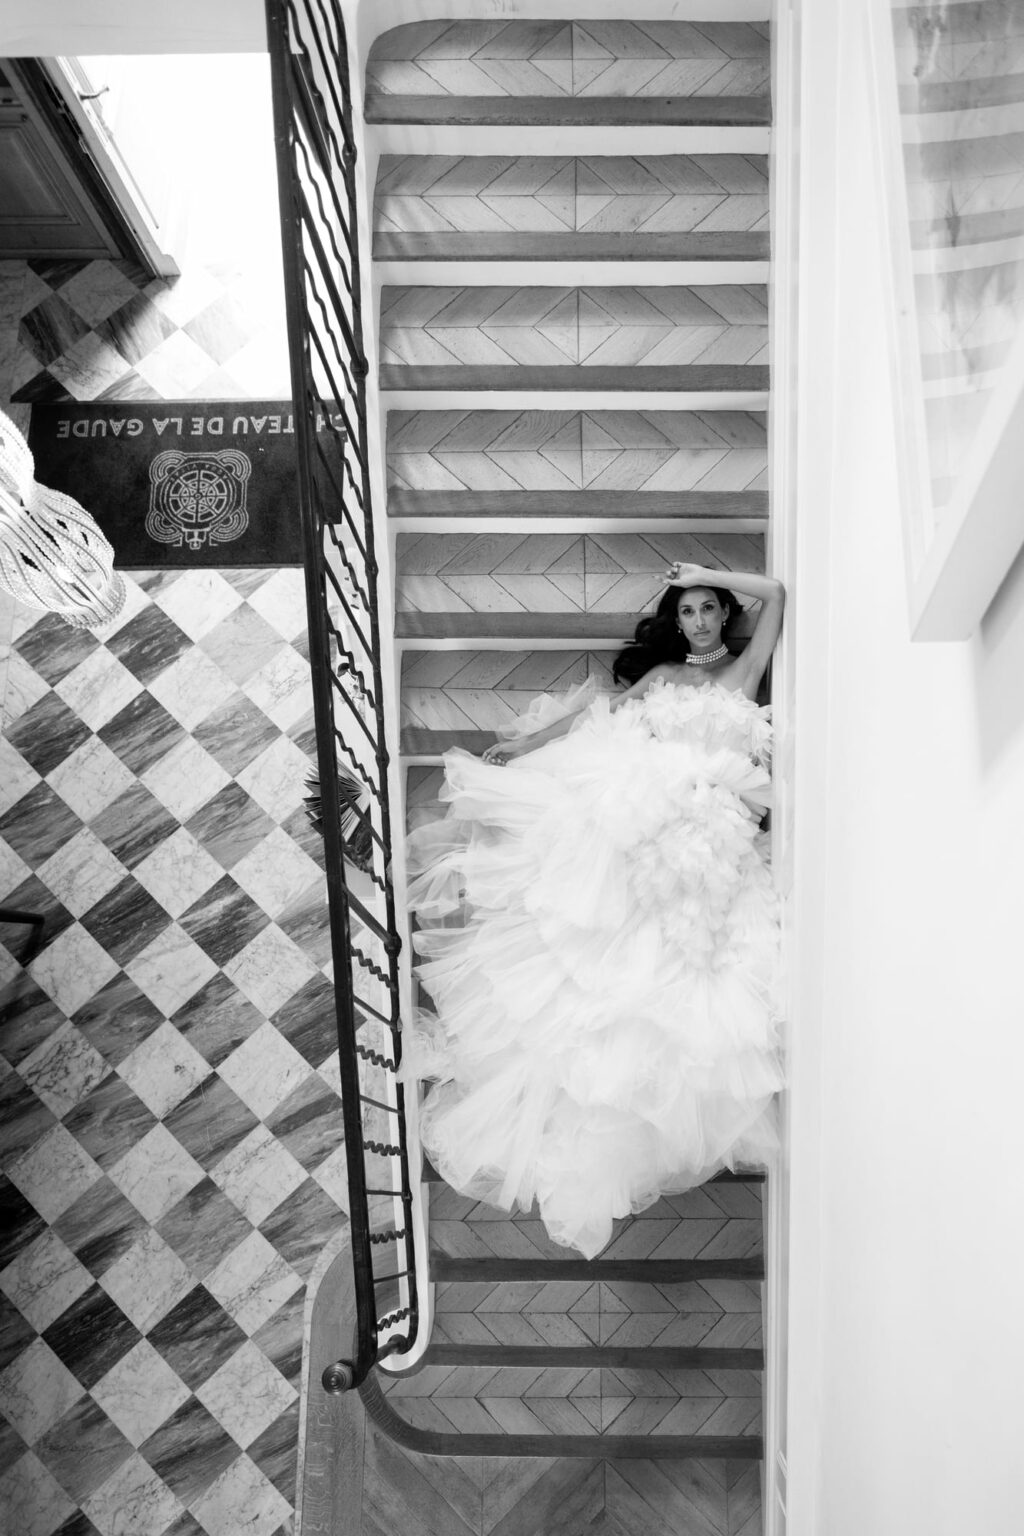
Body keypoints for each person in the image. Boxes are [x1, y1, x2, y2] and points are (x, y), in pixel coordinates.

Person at [402, 561, 786, 1259]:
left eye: (708, 608)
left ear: (725, 615)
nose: (698, 621)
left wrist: (705, 570)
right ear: (677, 621)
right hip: (653, 822)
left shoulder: (745, 669)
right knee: (599, 932)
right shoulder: (666, 677)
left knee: (681, 964)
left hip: (713, 836)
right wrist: (528, 745)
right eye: (689, 611)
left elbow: (778, 596)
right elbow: (595, 715)